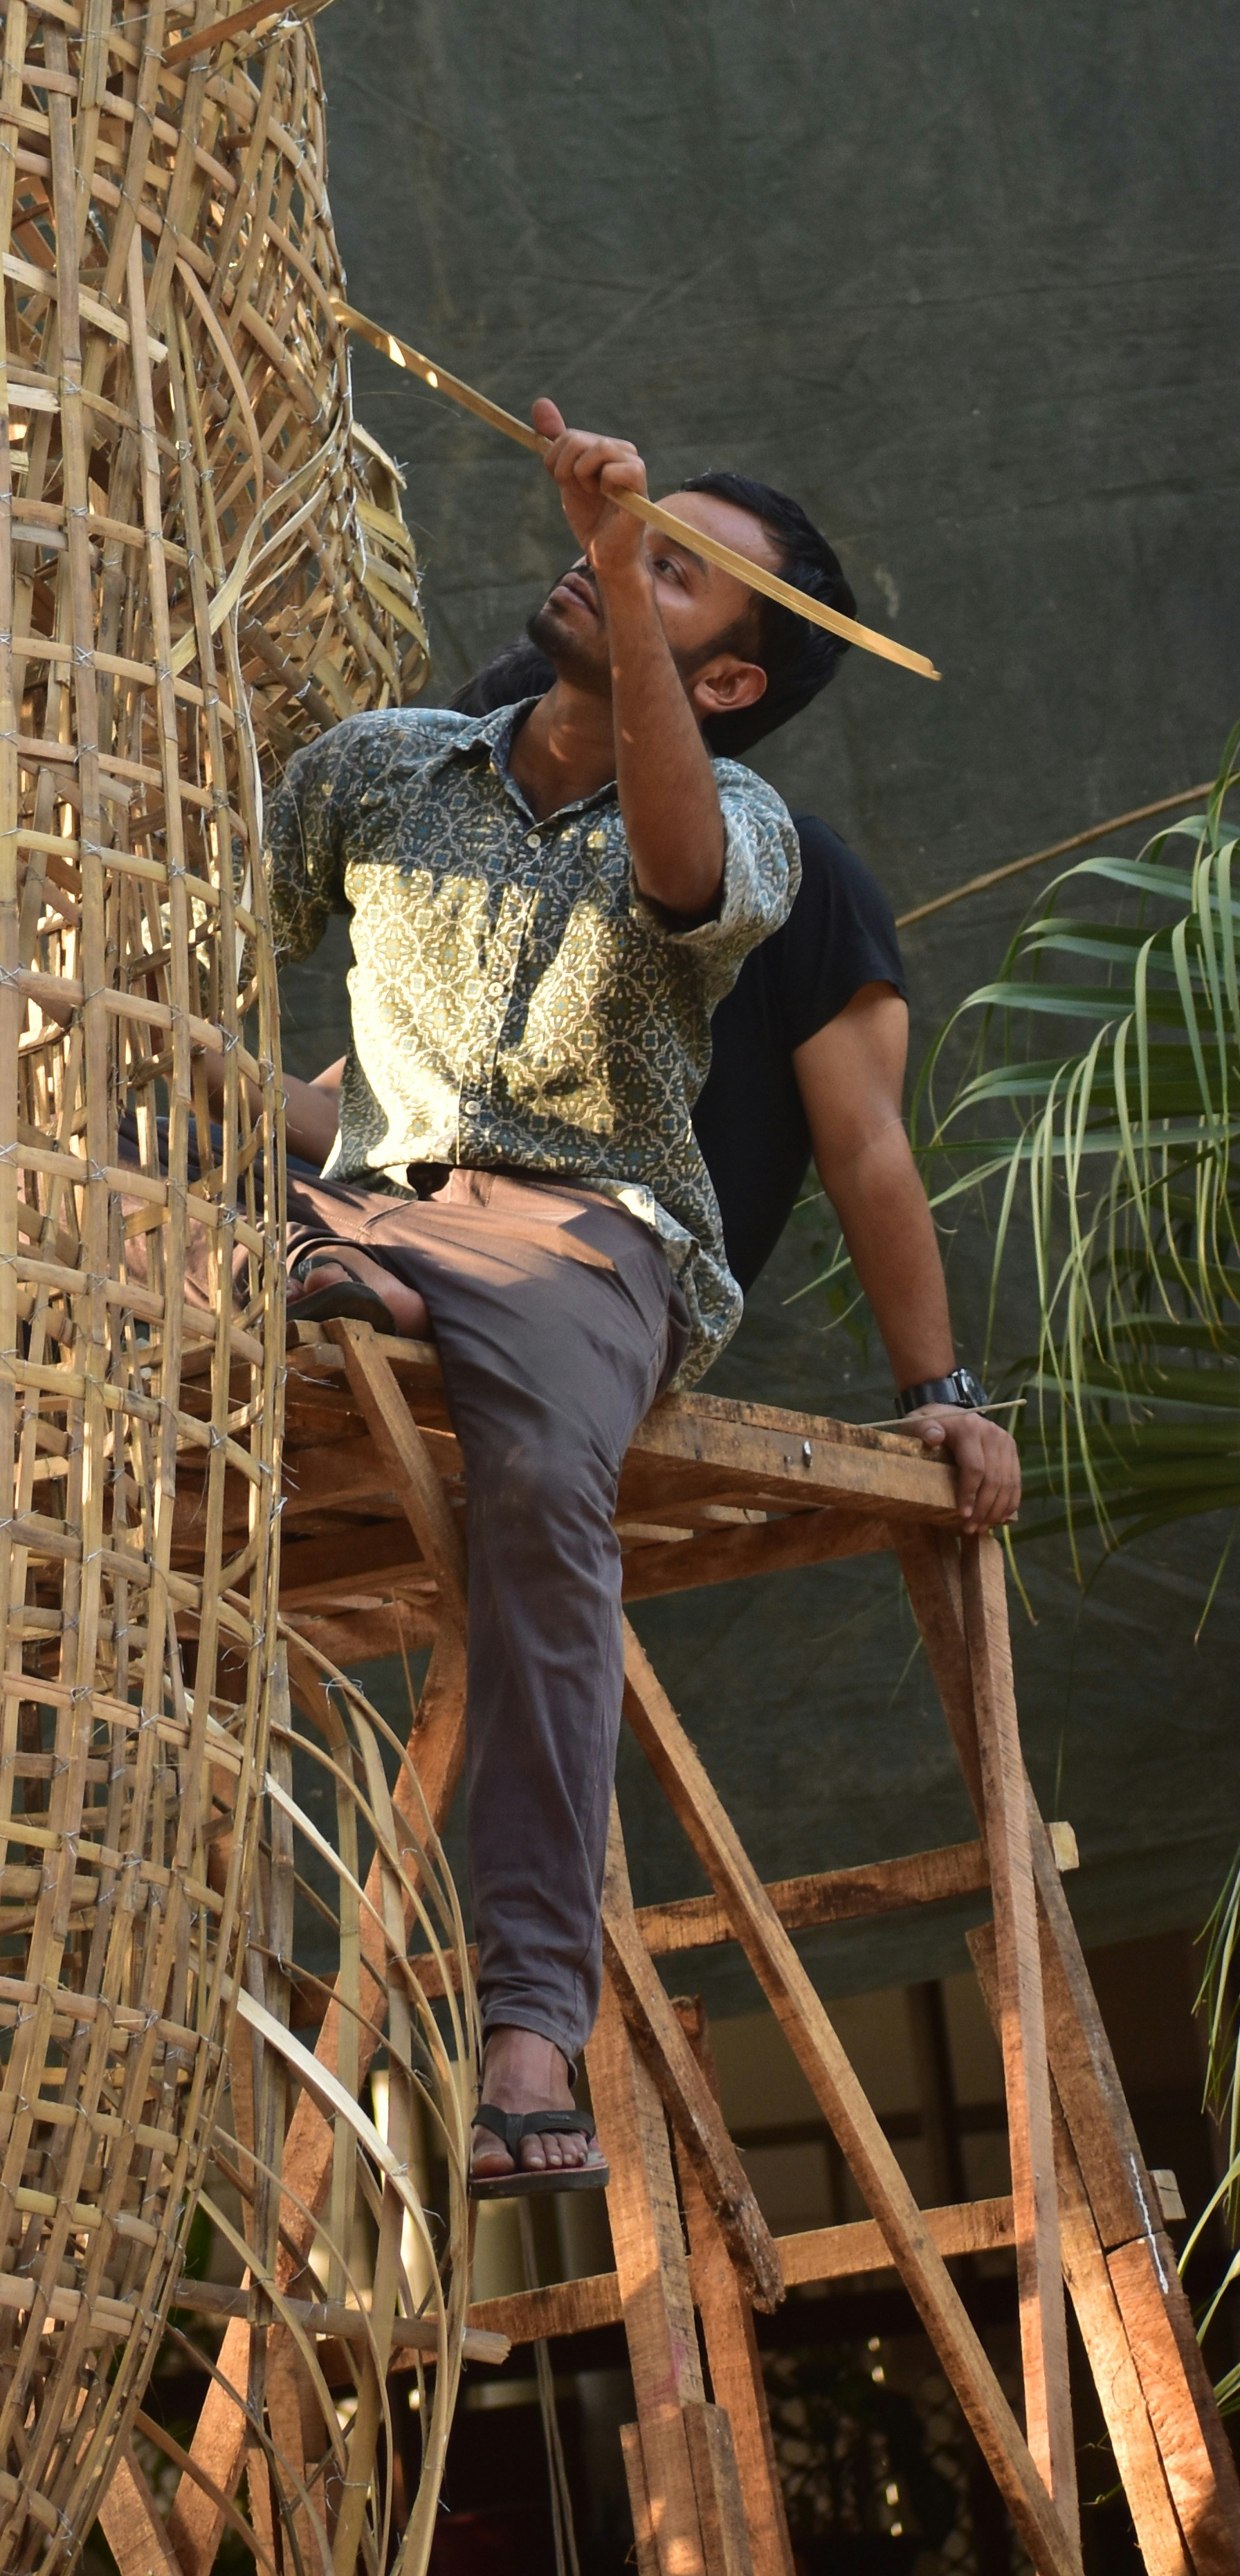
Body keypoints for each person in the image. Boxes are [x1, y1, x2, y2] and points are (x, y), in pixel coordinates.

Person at [264, 408, 818, 2199]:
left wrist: (617, 549)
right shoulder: (378, 769)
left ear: (726, 681)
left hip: (589, 1240)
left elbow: (672, 872)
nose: (613, 557)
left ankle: (528, 2017)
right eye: (622, 534)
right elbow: (191, 964)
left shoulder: (742, 821)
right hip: (369, 1194)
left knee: (534, 1497)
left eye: (674, 566)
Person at [435, 635, 1020, 1531]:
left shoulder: (794, 875)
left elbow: (866, 1147)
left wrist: (941, 1395)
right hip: (436, 1241)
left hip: (607, 1287)